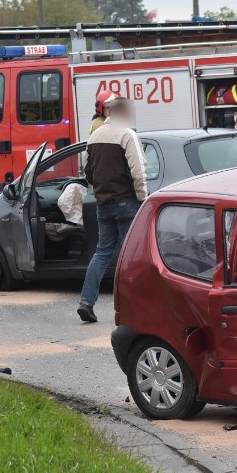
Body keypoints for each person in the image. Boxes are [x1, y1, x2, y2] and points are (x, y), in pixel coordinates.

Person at [77, 97, 147, 322]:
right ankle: (133, 309)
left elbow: (87, 170)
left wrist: (98, 190)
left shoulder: (94, 136)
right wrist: (143, 199)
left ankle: (86, 302)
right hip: (127, 202)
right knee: (132, 257)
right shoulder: (127, 134)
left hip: (103, 203)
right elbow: (138, 172)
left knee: (102, 252)